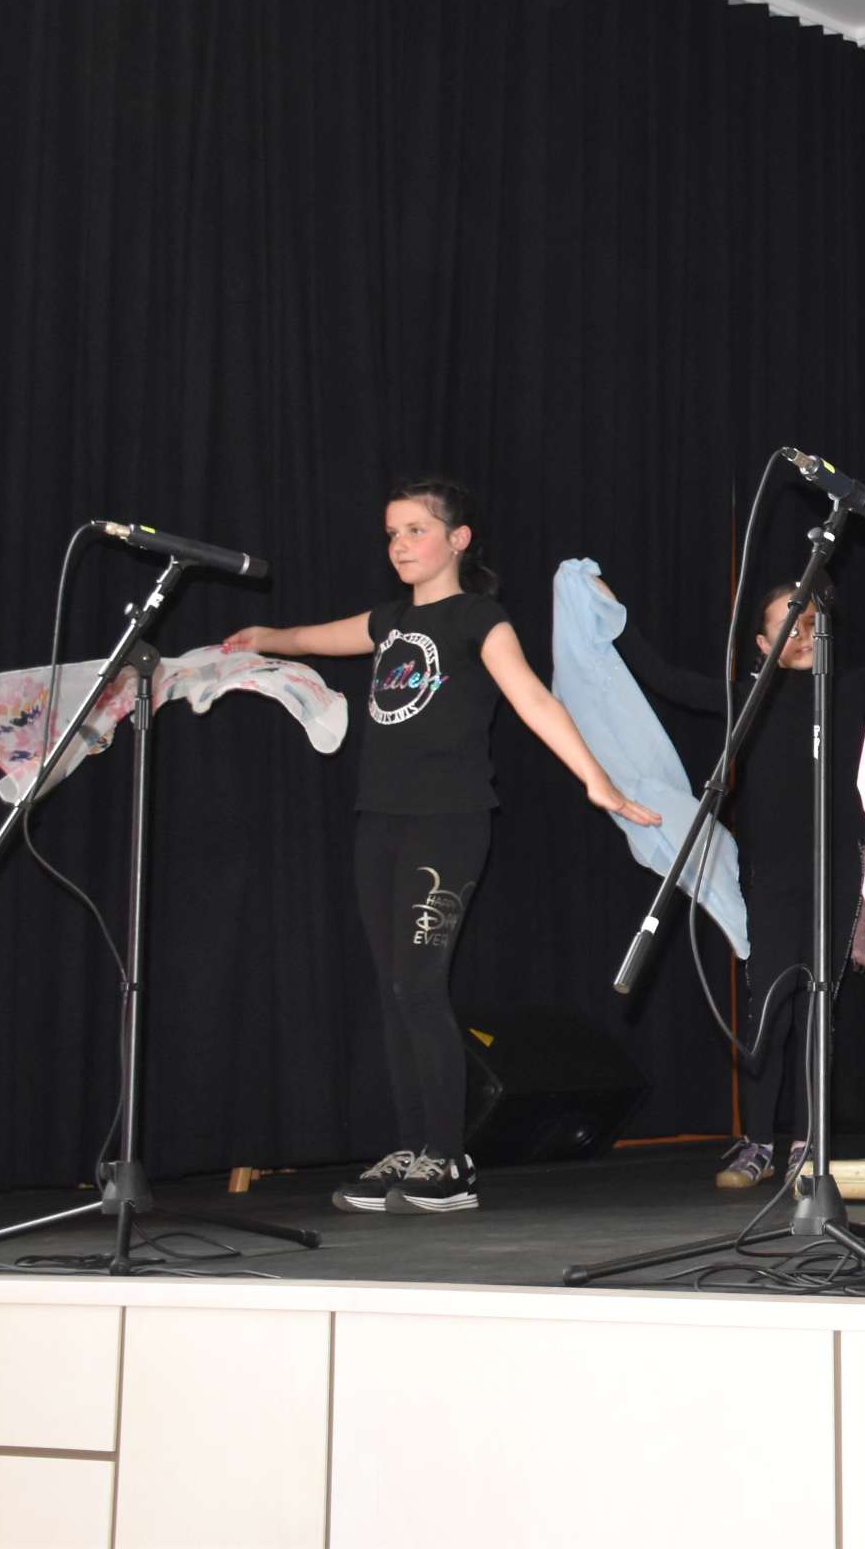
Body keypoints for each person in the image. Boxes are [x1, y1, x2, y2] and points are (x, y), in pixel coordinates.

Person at [226, 478, 660, 1216]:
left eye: (416, 530)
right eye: (392, 534)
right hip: (379, 821)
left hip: (447, 823)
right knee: (393, 988)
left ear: (457, 540)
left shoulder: (478, 619)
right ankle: (412, 1149)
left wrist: (599, 782)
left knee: (420, 985)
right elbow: (312, 638)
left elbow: (533, 698)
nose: (400, 545)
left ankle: (449, 1160)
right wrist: (263, 638)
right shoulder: (390, 620)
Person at [602, 542, 865, 1190]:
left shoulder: (850, 690)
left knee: (817, 1008)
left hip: (835, 873)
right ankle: (756, 1142)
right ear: (761, 643)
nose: (802, 634)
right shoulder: (747, 698)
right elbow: (663, 678)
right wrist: (613, 618)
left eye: (810, 621)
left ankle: (809, 1143)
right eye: (788, 624)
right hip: (773, 876)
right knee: (770, 1008)